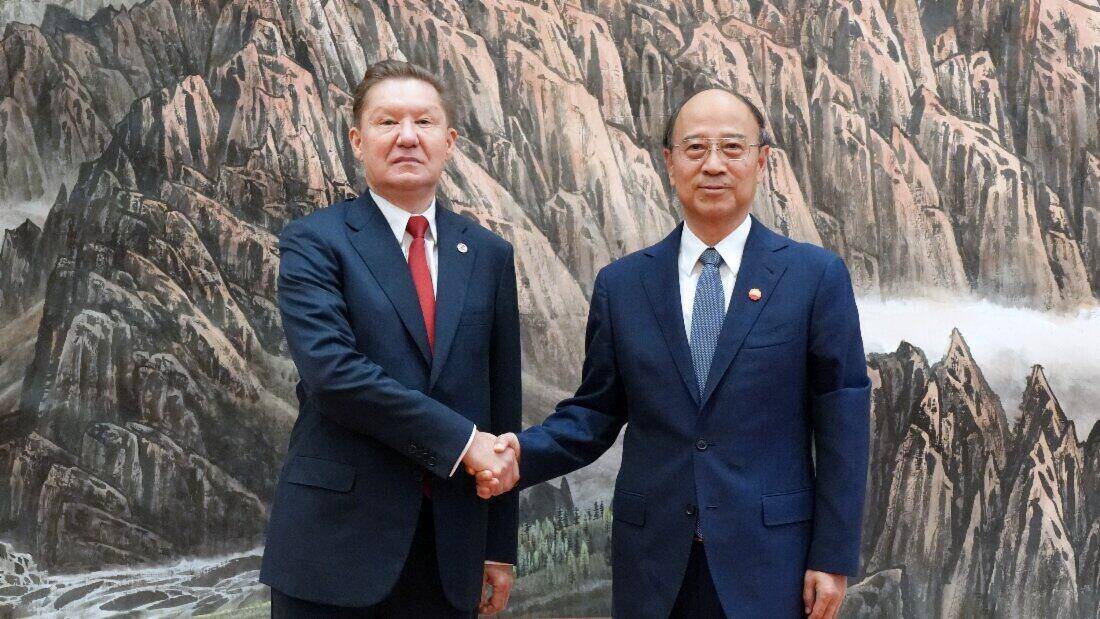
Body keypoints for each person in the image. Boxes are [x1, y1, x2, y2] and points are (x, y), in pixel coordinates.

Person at [478, 89, 870, 618]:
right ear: (668, 162)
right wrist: (519, 456)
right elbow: (595, 412)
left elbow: (842, 421)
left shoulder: (814, 277)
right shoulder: (623, 284)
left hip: (773, 561)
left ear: (761, 160)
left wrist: (834, 554)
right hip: (655, 562)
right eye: (695, 148)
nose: (713, 165)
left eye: (732, 148)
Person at [260, 60, 521, 618]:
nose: (407, 137)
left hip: (451, 553)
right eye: (387, 122)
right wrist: (461, 442)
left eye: (424, 122)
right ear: (357, 140)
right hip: (333, 551)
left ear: (448, 142)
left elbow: (504, 407)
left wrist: (499, 546)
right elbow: (334, 376)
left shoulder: (490, 256)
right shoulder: (314, 242)